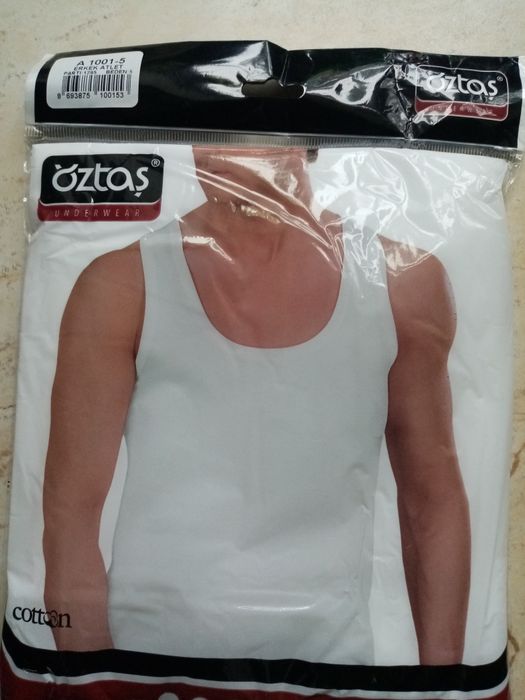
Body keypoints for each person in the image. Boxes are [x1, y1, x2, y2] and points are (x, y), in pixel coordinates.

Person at [42, 146, 471, 665]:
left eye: (248, 129)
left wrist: (444, 686)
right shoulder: (120, 283)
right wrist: (92, 681)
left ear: (307, 137)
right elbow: (70, 514)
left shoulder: (403, 280)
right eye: (208, 127)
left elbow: (431, 499)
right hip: (152, 670)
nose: (223, 149)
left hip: (330, 672)